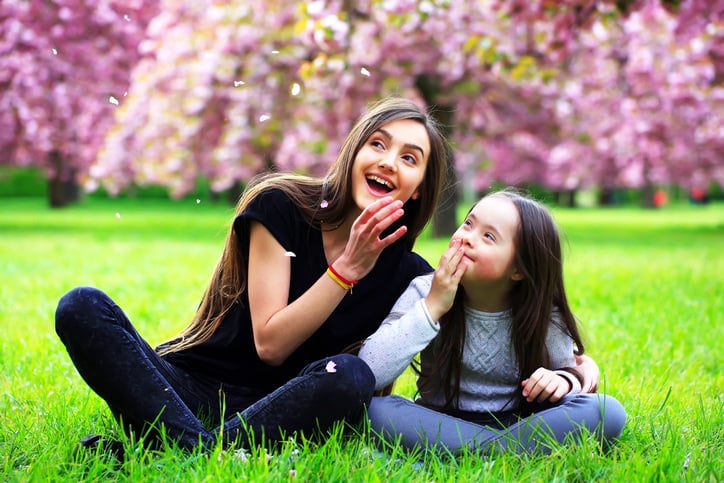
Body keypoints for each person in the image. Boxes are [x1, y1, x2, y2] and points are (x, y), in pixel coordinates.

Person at [54, 97, 452, 454]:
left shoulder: (412, 277)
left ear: (417, 189)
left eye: (409, 158)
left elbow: (466, 358)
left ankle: (178, 448)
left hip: (287, 413)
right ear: (354, 153)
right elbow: (271, 342)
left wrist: (519, 382)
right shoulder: (282, 205)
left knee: (349, 375)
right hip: (191, 388)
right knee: (81, 306)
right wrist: (346, 270)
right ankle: (203, 452)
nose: (388, 161)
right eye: (378, 144)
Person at [359, 189, 627, 455]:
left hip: (519, 422)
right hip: (439, 420)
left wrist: (562, 380)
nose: (467, 238)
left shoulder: (543, 313)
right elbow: (371, 370)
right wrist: (433, 307)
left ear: (519, 269)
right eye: (468, 224)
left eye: (488, 236)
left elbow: (568, 379)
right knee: (372, 410)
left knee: (607, 411)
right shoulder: (425, 291)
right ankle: (507, 452)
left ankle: (475, 451)